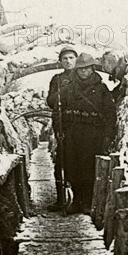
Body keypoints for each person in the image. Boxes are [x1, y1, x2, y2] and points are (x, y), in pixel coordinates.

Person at [60, 53, 117, 214]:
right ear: (76, 71)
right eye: (80, 69)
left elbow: (110, 113)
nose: (84, 72)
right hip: (73, 132)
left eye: (87, 69)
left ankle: (88, 201)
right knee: (73, 166)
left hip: (93, 134)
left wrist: (108, 134)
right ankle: (77, 200)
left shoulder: (101, 88)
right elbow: (58, 107)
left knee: (89, 167)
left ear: (92, 69)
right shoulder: (69, 88)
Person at [46, 45, 78, 211]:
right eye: (65, 58)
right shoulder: (56, 79)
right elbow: (50, 102)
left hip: (79, 125)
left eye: (71, 58)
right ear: (60, 62)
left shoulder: (82, 76)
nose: (68, 61)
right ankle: (60, 199)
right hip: (63, 124)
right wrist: (64, 91)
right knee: (61, 162)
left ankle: (80, 199)